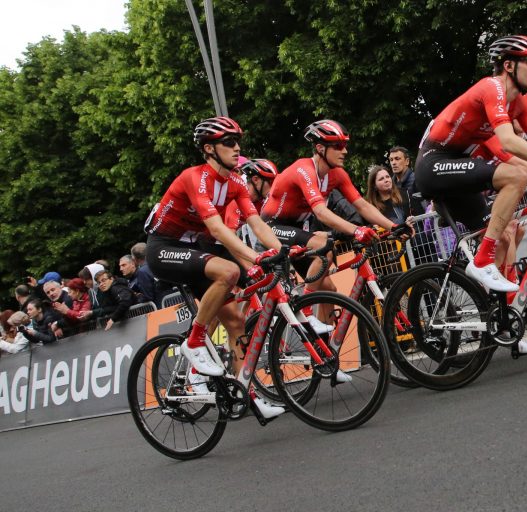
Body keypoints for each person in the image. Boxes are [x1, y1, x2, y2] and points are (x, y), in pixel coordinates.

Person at [414, 35, 527, 354]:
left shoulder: (519, 101)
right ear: (509, 65)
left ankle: (506, 318)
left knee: (510, 232)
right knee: (516, 177)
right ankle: (481, 261)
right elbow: (511, 149)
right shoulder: (492, 88)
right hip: (434, 163)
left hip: (459, 169)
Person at [144, 116, 284, 418]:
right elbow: (220, 231)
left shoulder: (235, 182)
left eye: (238, 141)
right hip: (165, 248)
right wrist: (254, 256)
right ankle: (194, 342)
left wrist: (280, 250)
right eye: (228, 142)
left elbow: (256, 222)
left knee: (235, 321)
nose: (237, 148)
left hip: (195, 250)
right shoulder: (195, 177)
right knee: (230, 272)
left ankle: (248, 395)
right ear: (209, 148)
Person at [261, 119, 412, 319]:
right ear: (320, 148)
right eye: (338, 146)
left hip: (297, 228)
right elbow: (321, 212)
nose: (345, 151)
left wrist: (394, 227)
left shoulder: (337, 174)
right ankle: (306, 311)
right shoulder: (304, 169)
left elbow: (362, 205)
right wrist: (356, 230)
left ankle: (321, 345)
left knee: (329, 291)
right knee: (325, 246)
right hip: (272, 226)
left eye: (345, 145)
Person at [388, 146, 423, 214]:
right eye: (391, 160)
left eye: (397, 159)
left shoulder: (417, 180)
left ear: (407, 161)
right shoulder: (391, 184)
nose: (393, 163)